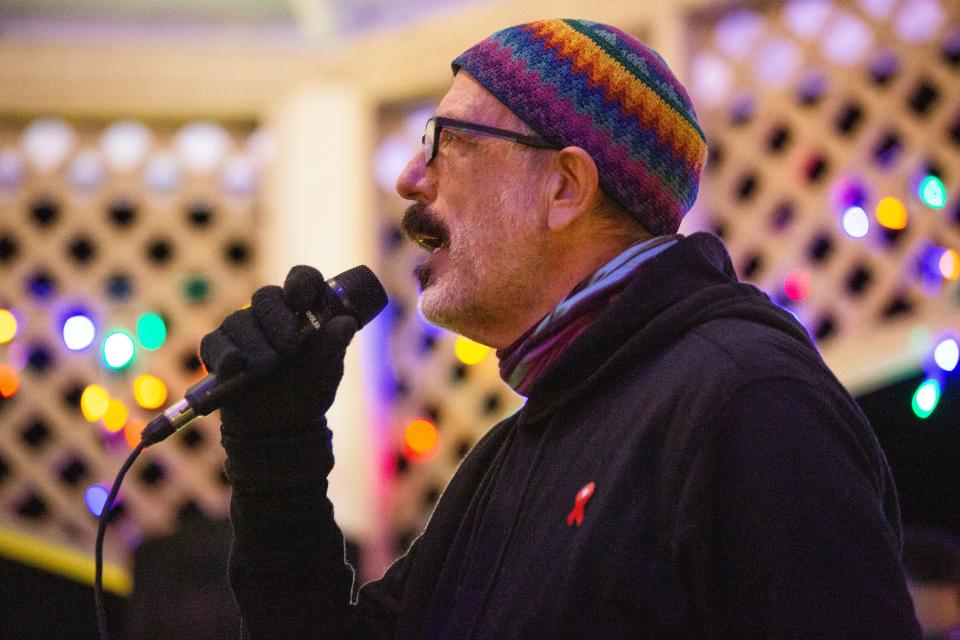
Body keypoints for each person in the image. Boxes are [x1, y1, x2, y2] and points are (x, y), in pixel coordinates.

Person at [201, 19, 921, 638]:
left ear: (565, 188)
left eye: (445, 141)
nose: (410, 179)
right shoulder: (512, 454)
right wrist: (277, 455)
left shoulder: (747, 400)